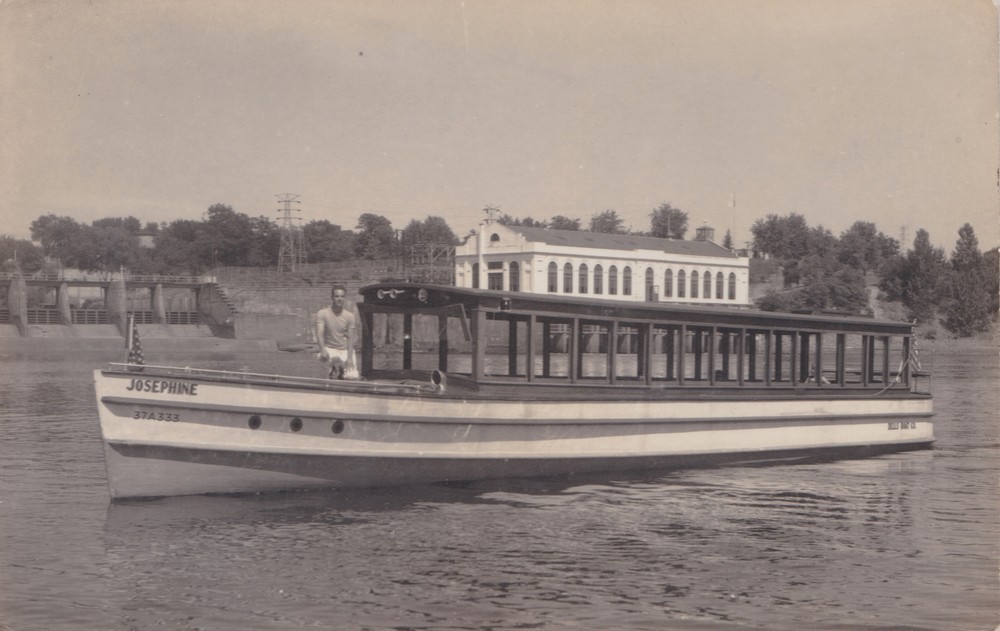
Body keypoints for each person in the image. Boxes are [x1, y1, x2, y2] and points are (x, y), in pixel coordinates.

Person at [315, 285, 357, 379]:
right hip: (329, 349)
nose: (339, 299)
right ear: (332, 297)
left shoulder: (350, 316)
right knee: (323, 359)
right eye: (337, 296)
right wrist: (322, 350)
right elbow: (319, 333)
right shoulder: (322, 313)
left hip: (344, 350)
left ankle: (341, 369)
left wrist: (349, 359)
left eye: (342, 296)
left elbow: (350, 339)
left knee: (352, 377)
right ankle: (334, 368)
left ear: (344, 298)